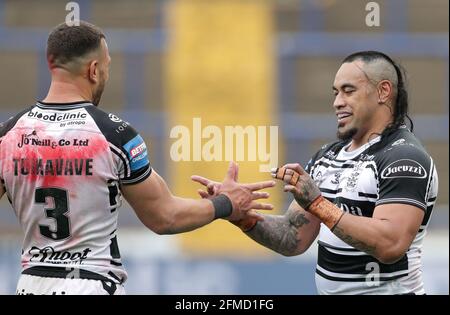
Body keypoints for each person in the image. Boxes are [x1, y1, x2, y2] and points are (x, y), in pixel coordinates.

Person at [0, 21, 275, 295]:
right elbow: (164, 217)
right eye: (106, 66)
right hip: (91, 283)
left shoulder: (9, 135)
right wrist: (226, 203)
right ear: (93, 70)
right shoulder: (115, 134)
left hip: (30, 285)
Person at [192, 51, 439, 295]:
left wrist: (319, 205)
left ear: (383, 92)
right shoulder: (327, 156)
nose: (337, 102)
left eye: (348, 90)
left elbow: (390, 244)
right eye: (335, 92)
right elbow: (292, 238)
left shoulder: (404, 157)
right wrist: (239, 214)